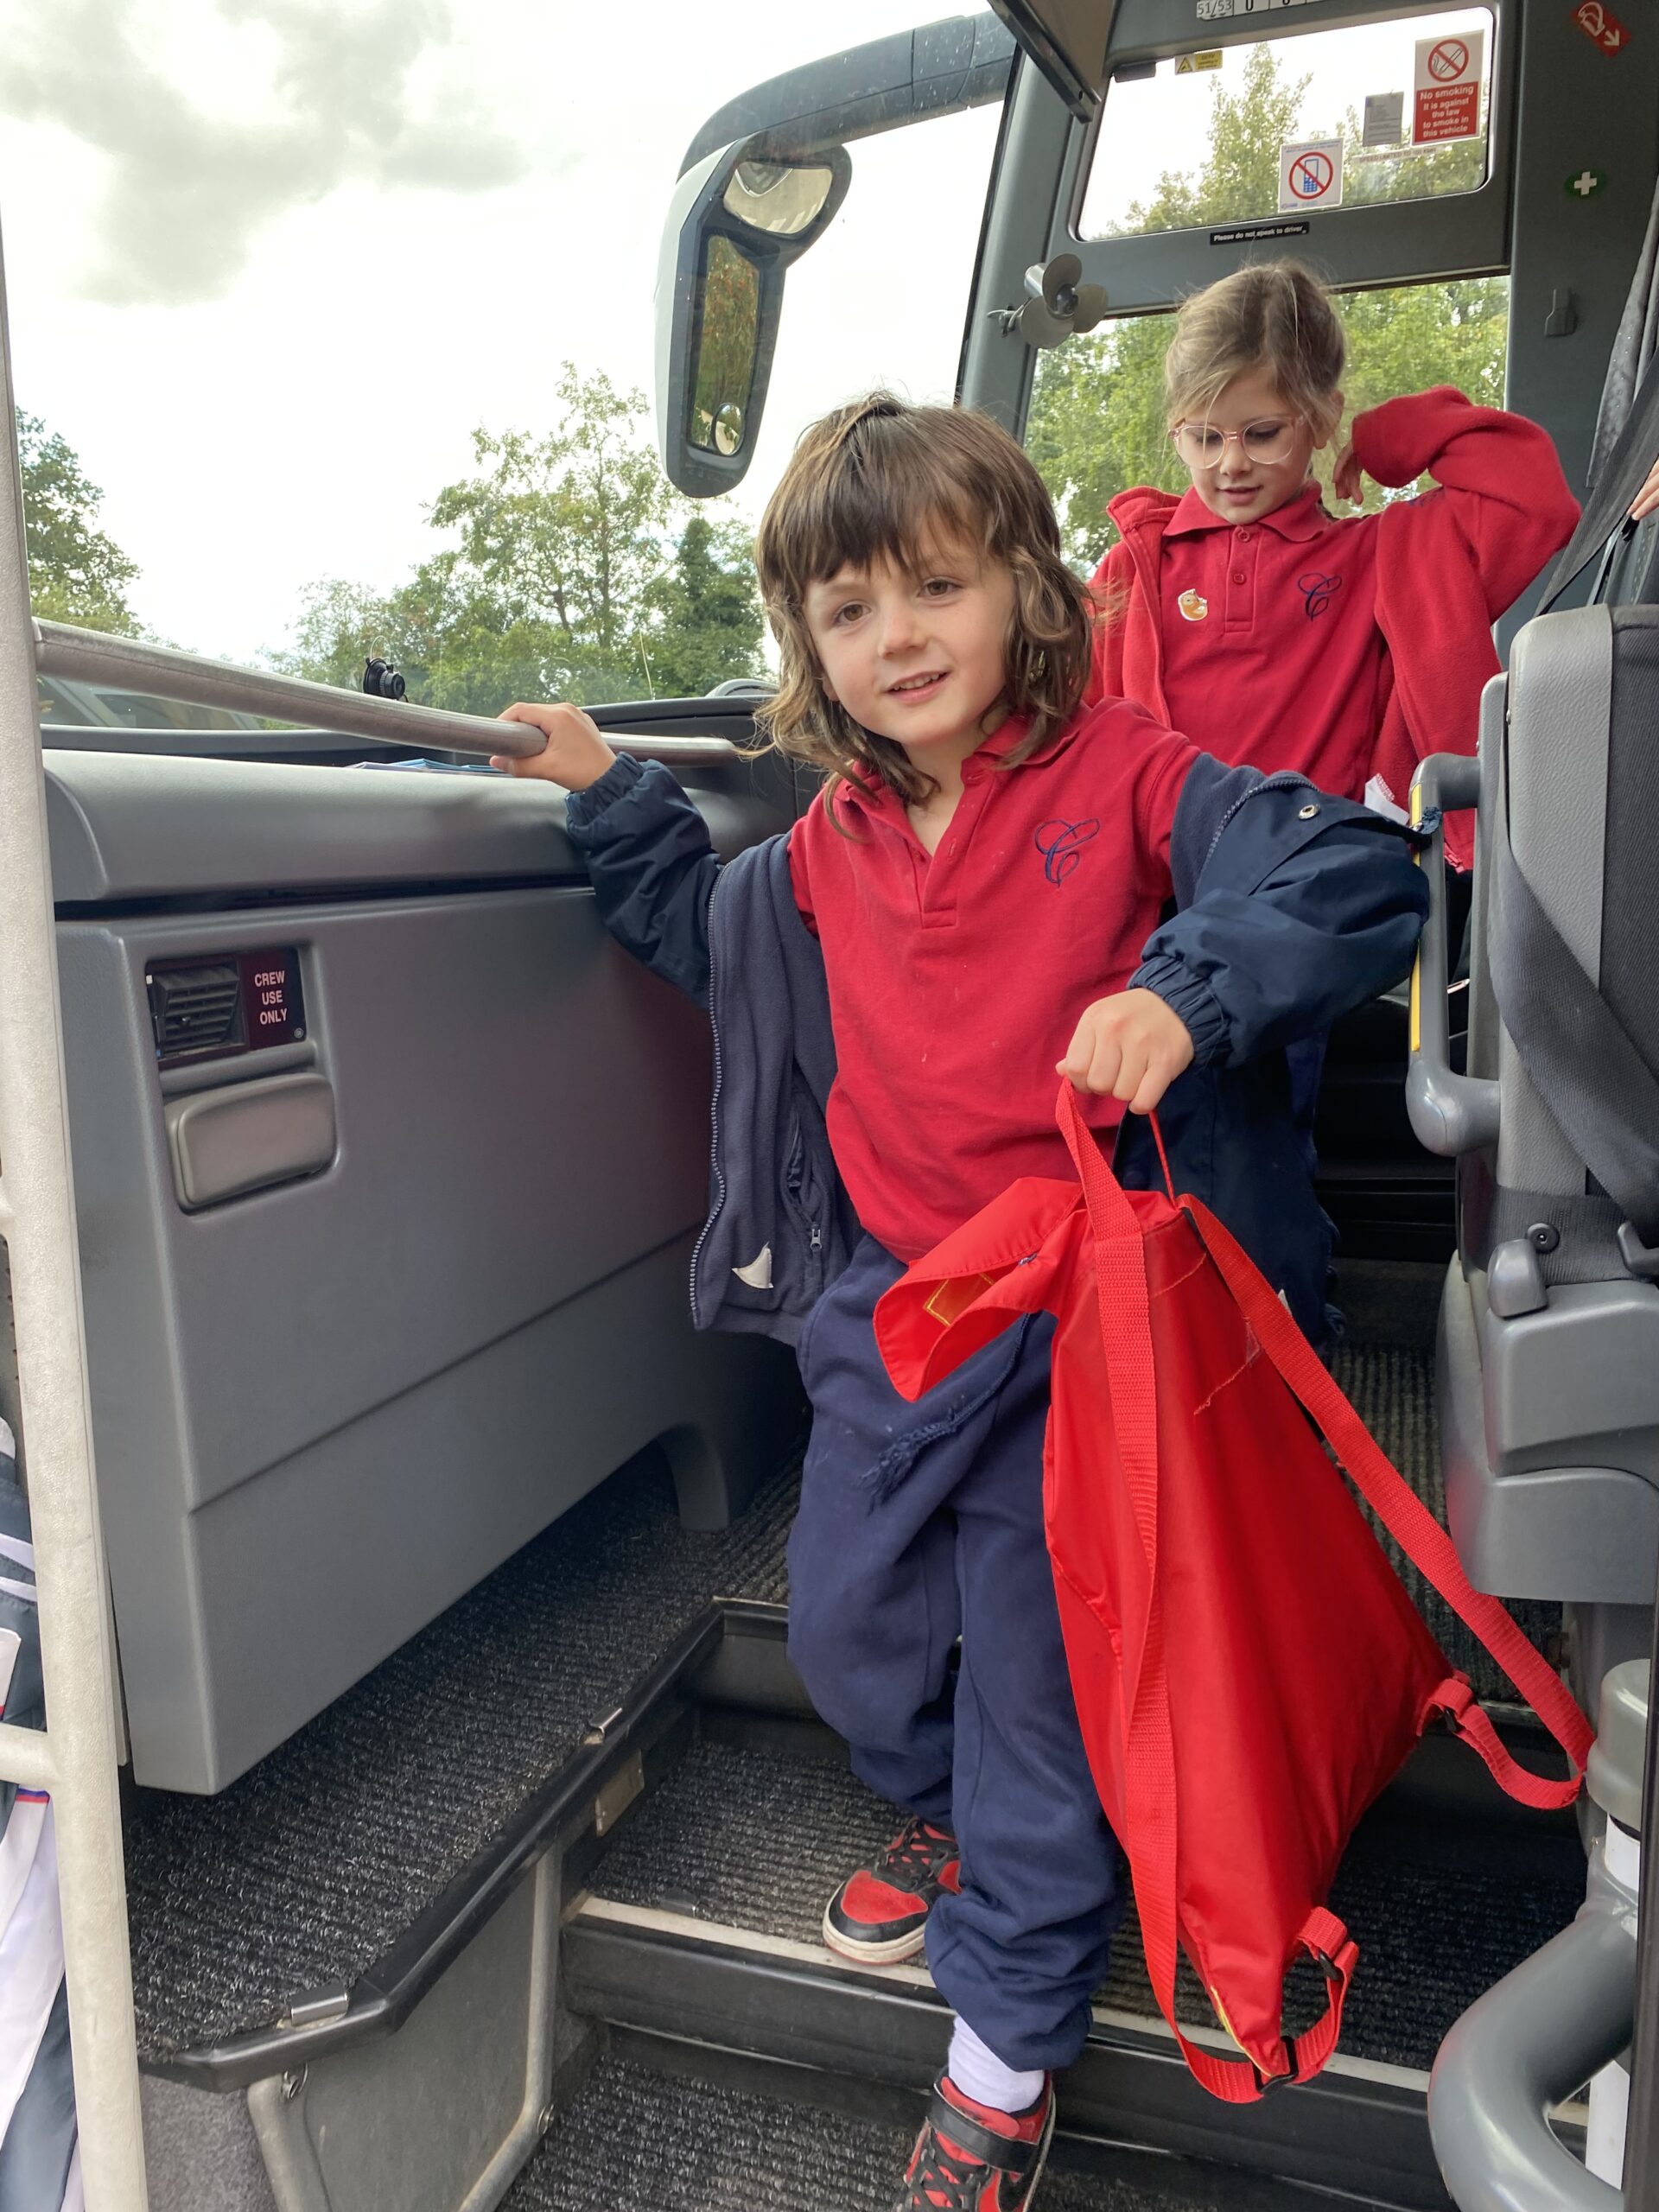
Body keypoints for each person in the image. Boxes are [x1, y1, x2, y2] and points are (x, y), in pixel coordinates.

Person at [491, 394, 1427, 2211]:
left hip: (1090, 1331)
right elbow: (704, 931)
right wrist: (609, 790)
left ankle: (1002, 2053)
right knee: (846, 1626)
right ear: (809, 646)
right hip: (895, 1316)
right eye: (850, 608)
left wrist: (1191, 987)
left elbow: (1348, 866)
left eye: (938, 583)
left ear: (1026, 589)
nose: (898, 634)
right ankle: (948, 1800)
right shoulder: (824, 853)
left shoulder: (1131, 775)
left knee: (1042, 1683)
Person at [1089, 259, 1580, 861]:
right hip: (1165, 901)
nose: (1231, 464)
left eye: (1263, 433)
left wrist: (1385, 440)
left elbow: (1534, 500)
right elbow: (1058, 740)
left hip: (1325, 883)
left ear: (1321, 419)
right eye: (1205, 438)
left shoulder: (1379, 555)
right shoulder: (1131, 571)